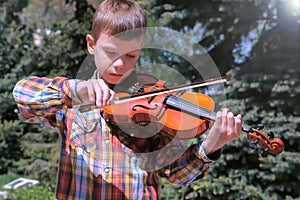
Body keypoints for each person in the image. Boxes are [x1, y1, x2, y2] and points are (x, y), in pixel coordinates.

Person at [13, 0, 242, 199]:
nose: (120, 64)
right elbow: (22, 95)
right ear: (92, 45)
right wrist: (75, 91)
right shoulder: (72, 101)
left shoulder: (154, 107)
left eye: (131, 55)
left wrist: (212, 144)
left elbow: (175, 172)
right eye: (112, 53)